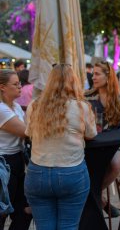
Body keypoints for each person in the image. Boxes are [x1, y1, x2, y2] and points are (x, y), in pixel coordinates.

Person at [24, 64, 96, 229]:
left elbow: (28, 132)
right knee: (69, 226)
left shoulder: (35, 105)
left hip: (37, 173)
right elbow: (91, 134)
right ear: (74, 82)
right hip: (72, 173)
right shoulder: (82, 107)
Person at [85, 60, 120, 217]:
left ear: (108, 76)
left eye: (97, 74)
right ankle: (100, 201)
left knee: (116, 163)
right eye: (92, 74)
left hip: (116, 144)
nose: (93, 77)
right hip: (91, 143)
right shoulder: (87, 97)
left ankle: (93, 195)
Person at [0, 69, 32, 230]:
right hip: (5, 163)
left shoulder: (16, 106)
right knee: (3, 211)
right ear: (2, 87)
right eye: (15, 84)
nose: (20, 87)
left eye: (20, 83)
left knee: (26, 210)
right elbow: (27, 131)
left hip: (18, 160)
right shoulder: (1, 109)